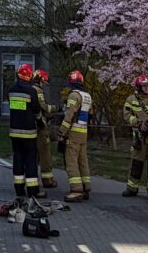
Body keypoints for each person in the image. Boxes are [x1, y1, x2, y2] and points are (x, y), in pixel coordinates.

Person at [122, 74, 148, 200]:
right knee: (136, 163)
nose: (146, 88)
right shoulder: (131, 99)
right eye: (143, 86)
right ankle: (132, 188)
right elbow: (127, 115)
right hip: (139, 139)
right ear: (138, 87)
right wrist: (138, 123)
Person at [8, 62, 42, 199]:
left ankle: (19, 189)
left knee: (18, 159)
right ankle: (33, 190)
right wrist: (40, 121)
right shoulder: (31, 91)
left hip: (14, 132)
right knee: (30, 160)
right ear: (29, 76)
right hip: (29, 133)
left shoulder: (11, 90)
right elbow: (36, 110)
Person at [58, 69, 92, 202]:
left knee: (71, 162)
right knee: (83, 161)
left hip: (73, 134)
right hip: (83, 134)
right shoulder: (87, 96)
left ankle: (76, 190)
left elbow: (69, 115)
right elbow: (90, 114)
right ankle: (85, 187)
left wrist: (62, 132)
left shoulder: (73, 95)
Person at [33, 69, 57, 189]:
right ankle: (48, 181)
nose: (44, 85)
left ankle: (32, 180)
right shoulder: (37, 91)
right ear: (40, 80)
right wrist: (56, 108)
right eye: (44, 82)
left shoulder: (29, 90)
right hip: (40, 127)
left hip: (32, 127)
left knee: (34, 155)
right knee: (45, 154)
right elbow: (44, 107)